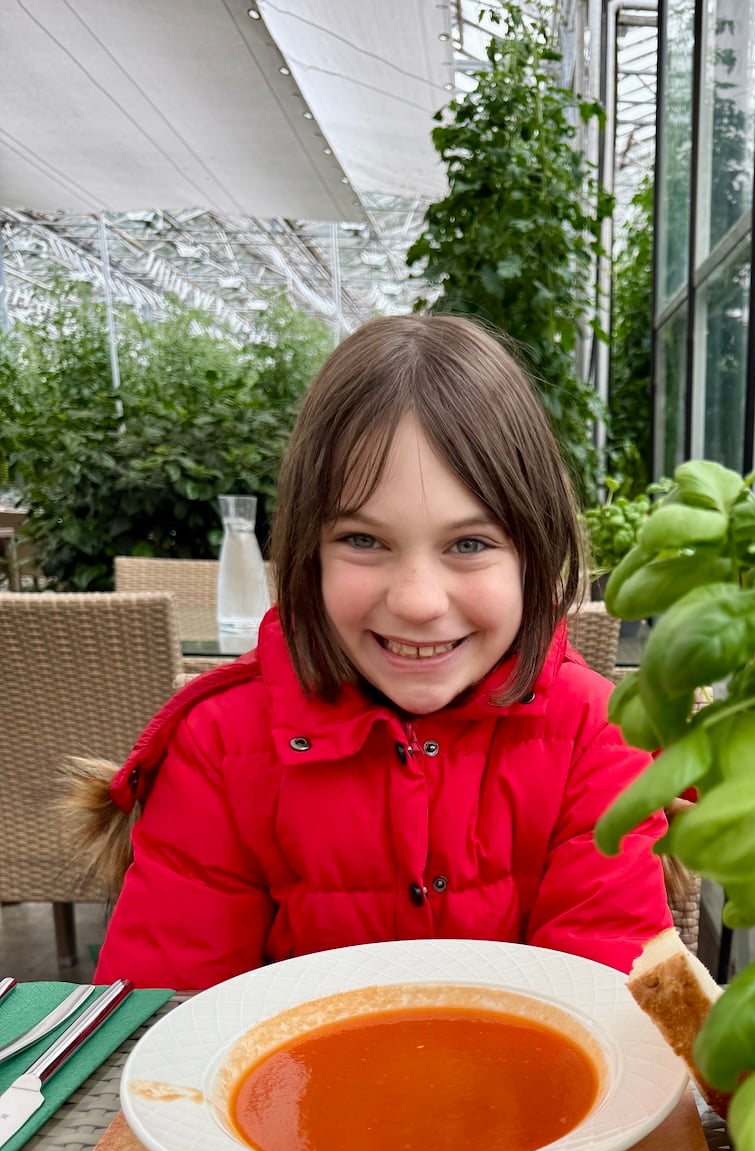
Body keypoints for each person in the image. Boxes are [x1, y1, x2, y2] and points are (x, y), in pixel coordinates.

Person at [74, 315, 672, 991]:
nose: (418, 601)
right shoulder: (219, 745)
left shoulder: (598, 732)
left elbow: (606, 1009)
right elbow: (169, 1016)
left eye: (469, 544)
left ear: (535, 555)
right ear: (308, 551)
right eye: (364, 540)